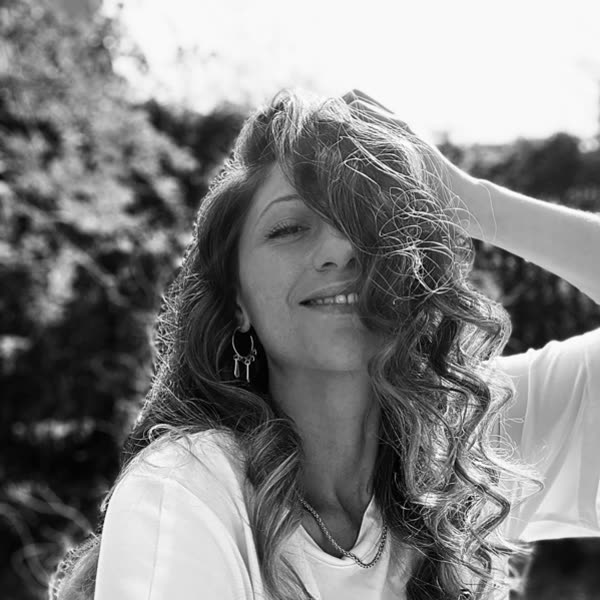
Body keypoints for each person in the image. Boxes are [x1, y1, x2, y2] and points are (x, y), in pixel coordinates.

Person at [48, 88, 600, 600]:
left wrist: (473, 203)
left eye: (368, 225)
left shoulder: (469, 446)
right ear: (237, 301)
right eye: (289, 228)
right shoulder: (188, 492)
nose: (340, 249)